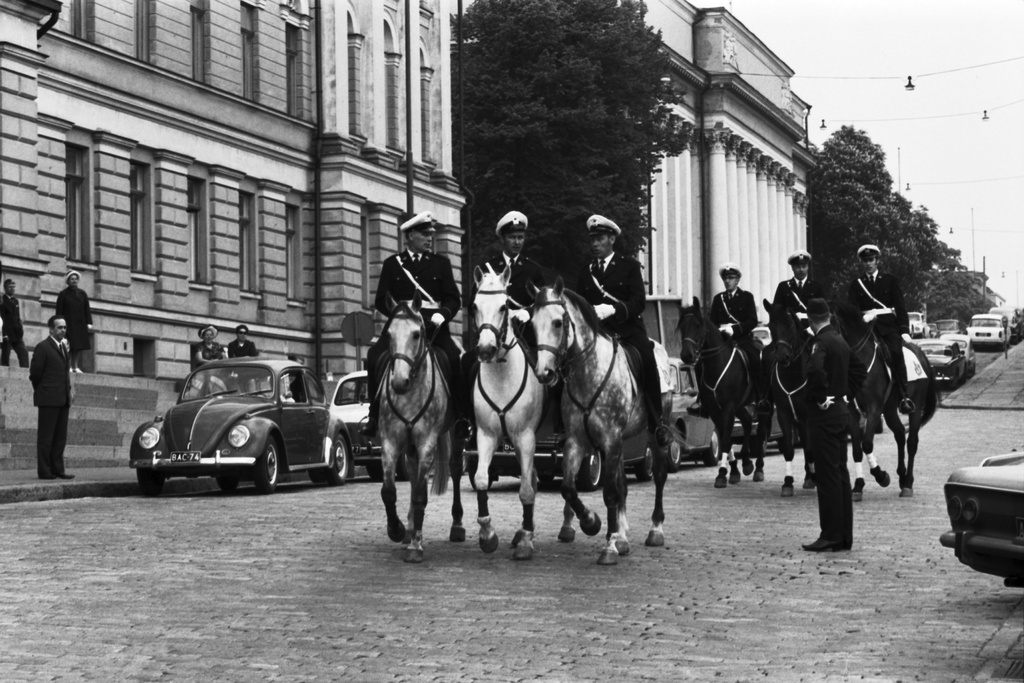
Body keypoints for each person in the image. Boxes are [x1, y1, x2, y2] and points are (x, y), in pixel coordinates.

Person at [361, 211, 463, 438]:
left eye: (430, 234)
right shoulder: (393, 264)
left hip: (433, 327)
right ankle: (374, 414)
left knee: (454, 358)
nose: (429, 238)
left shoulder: (441, 264)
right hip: (402, 328)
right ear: (409, 236)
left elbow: (453, 298)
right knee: (374, 356)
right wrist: (400, 316)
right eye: (424, 234)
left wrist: (443, 314)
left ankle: (461, 416)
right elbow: (381, 299)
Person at [576, 214, 669, 446]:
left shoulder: (629, 267)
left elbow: (639, 302)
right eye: (592, 240)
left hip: (627, 331)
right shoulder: (586, 272)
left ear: (612, 240)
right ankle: (567, 421)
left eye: (600, 239)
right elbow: (579, 305)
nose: (595, 244)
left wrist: (613, 309)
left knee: (647, 359)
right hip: (597, 334)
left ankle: (657, 422)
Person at [461, 211, 548, 434]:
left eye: (520, 237)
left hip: (525, 337)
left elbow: (544, 303)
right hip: (493, 337)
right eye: (512, 237)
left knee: (549, 368)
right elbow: (472, 306)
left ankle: (554, 423)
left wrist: (528, 312)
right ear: (503, 239)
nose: (517, 242)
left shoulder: (532, 269)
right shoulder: (487, 269)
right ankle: (468, 420)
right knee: (467, 365)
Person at [802, 298, 867, 552]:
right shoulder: (840, 340)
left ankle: (829, 534)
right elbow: (859, 370)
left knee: (827, 477)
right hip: (840, 412)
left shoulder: (820, 342)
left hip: (824, 416)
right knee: (840, 474)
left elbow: (815, 371)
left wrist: (821, 397)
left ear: (810, 320)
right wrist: (844, 395)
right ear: (828, 316)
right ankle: (843, 536)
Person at [847, 244, 915, 415]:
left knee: (896, 352)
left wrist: (904, 330)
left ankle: (904, 396)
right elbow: (852, 310)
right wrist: (861, 319)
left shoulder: (890, 280)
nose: (868, 263)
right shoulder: (856, 284)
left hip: (887, 327)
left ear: (877, 261)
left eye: (871, 260)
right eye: (865, 261)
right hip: (865, 328)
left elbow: (900, 307)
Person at [694, 262, 765, 415]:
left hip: (742, 339)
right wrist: (717, 330)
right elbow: (712, 322)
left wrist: (735, 329)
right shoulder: (718, 299)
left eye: (731, 278)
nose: (727, 281)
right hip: (722, 340)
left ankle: (760, 399)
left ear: (737, 280)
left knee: (756, 360)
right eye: (725, 278)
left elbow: (752, 321)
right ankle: (703, 400)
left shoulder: (746, 297)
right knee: (700, 364)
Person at [29, 315, 75, 480]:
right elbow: (35, 374)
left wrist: (68, 391)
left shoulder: (63, 348)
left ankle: (57, 469)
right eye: (59, 327)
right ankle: (44, 470)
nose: (63, 330)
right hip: (48, 399)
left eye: (64, 327)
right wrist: (43, 391)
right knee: (46, 437)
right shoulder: (43, 347)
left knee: (60, 438)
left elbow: (65, 374)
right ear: (51, 330)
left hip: (63, 399)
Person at [771, 250, 827, 329]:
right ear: (792, 268)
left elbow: (823, 311)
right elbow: (777, 310)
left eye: (804, 266)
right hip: (790, 328)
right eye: (798, 267)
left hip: (812, 327)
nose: (801, 270)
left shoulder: (817, 286)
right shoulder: (783, 287)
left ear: (808, 267)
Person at [54, 270, 92, 373]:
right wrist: (59, 323)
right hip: (68, 323)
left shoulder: (82, 293)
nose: (74, 281)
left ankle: (75, 366)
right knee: (69, 346)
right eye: (72, 279)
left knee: (78, 346)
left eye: (76, 279)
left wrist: (89, 322)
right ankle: (68, 366)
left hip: (80, 324)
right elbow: (59, 310)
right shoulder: (63, 294)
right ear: (68, 281)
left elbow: (87, 308)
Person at [1, 278, 30, 368]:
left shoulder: (15, 301)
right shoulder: (2, 301)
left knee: (24, 353)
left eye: (14, 287)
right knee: (5, 356)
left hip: (16, 333)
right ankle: (3, 373)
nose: (12, 289)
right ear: (5, 288)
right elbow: (1, 318)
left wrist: (20, 330)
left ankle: (25, 373)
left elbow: (17, 317)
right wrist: (3, 334)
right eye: (10, 287)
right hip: (7, 333)